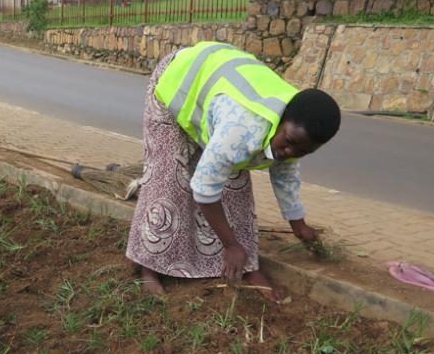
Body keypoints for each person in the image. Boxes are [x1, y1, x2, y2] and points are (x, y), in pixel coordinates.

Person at [125, 41, 341, 301]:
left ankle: (248, 267)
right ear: (280, 121)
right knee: (169, 179)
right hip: (176, 83)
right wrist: (231, 245)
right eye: (289, 143)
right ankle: (149, 267)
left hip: (216, 93)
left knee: (236, 187)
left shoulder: (294, 128)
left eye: (303, 151)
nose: (290, 153)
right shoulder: (243, 130)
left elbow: (285, 174)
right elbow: (204, 191)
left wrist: (299, 225)